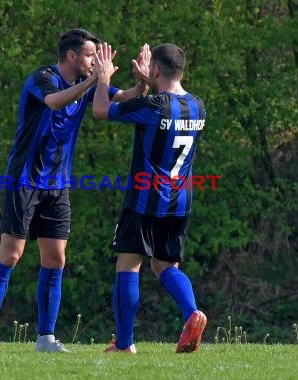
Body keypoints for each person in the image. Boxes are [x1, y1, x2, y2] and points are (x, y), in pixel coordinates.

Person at [0, 29, 149, 353]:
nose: (95, 61)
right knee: (11, 255)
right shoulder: (42, 78)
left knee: (56, 259)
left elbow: (126, 98)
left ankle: (46, 339)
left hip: (58, 186)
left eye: (97, 57)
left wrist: (143, 81)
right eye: (89, 55)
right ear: (71, 56)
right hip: (24, 180)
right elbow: (54, 103)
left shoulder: (86, 82)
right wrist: (93, 81)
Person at [92, 42, 207, 353]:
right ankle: (193, 313)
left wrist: (103, 78)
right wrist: (147, 82)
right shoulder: (198, 106)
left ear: (156, 69)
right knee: (166, 266)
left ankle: (124, 344)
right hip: (180, 200)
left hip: (146, 198)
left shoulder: (153, 106)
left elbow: (101, 110)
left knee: (128, 265)